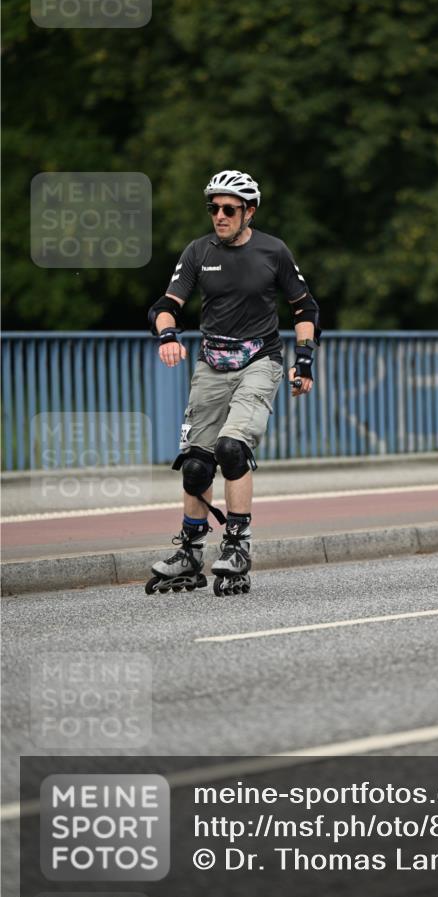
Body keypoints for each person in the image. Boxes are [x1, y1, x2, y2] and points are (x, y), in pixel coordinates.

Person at [146, 169, 320, 593]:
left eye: (229, 209)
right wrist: (167, 334)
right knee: (195, 465)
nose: (219, 216)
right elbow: (164, 305)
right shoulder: (197, 251)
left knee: (231, 448)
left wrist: (305, 362)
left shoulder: (272, 251)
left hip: (260, 361)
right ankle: (190, 551)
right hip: (211, 364)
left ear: (249, 212)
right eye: (214, 208)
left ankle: (238, 544)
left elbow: (305, 309)